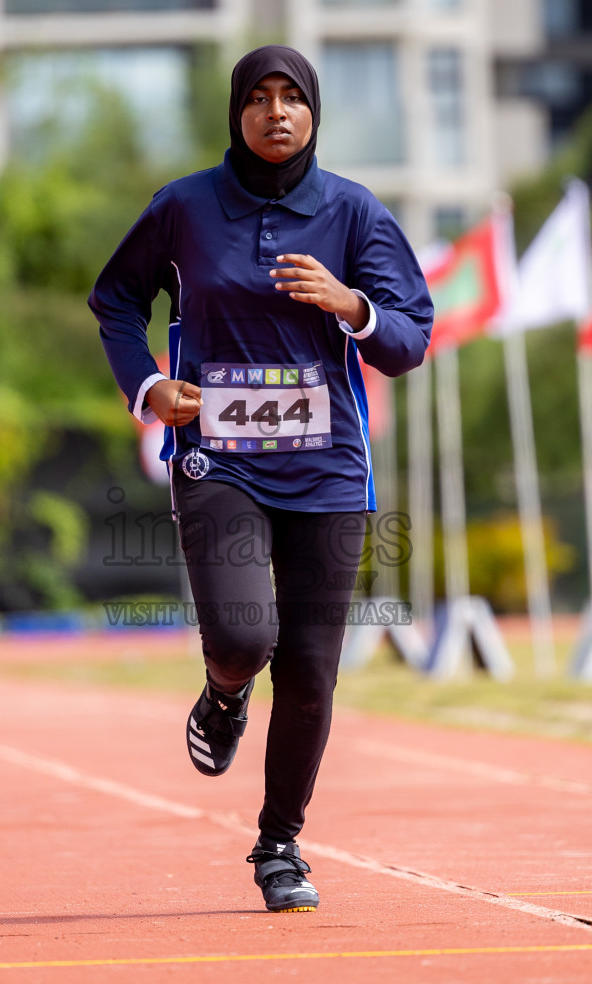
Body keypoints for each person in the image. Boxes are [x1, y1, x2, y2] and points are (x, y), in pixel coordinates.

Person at [88, 45, 432, 913]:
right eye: (259, 99)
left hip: (326, 469)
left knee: (313, 668)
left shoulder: (354, 214)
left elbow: (410, 339)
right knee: (246, 635)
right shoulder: (185, 208)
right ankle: (224, 690)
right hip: (219, 459)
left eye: (293, 99)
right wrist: (148, 386)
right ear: (236, 112)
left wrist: (351, 305)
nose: (277, 113)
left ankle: (280, 843)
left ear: (314, 112)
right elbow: (116, 300)